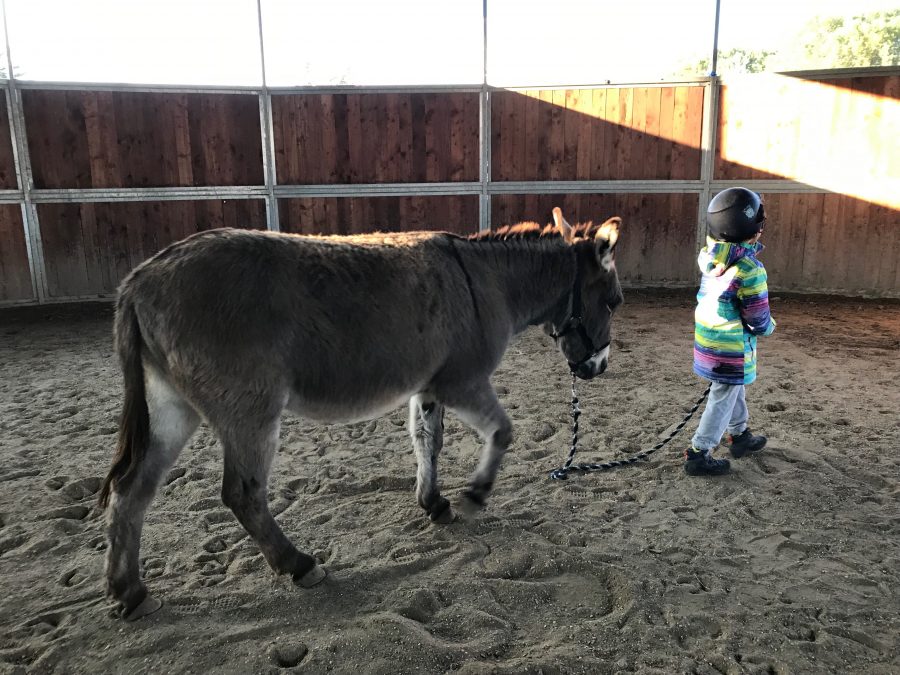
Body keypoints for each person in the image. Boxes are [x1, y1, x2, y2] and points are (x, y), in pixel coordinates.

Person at [685, 187, 776, 476]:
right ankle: (699, 452)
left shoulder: (711, 258)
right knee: (723, 395)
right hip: (731, 348)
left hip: (709, 342)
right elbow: (757, 317)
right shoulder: (750, 269)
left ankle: (740, 435)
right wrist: (768, 327)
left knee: (731, 389)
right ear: (754, 230)